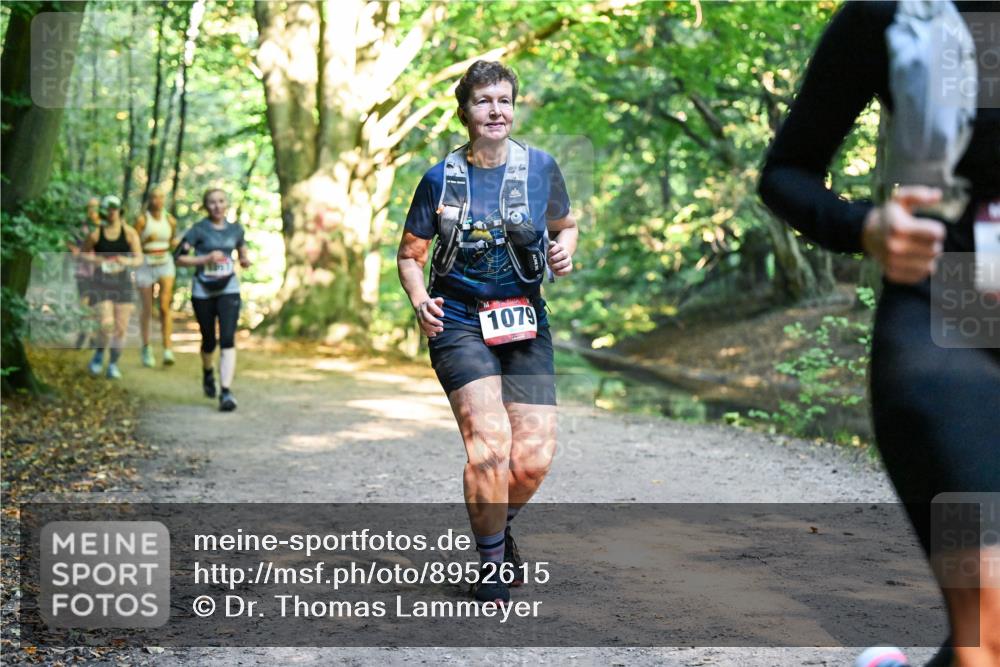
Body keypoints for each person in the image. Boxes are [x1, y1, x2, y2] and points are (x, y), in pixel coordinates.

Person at [758, 2, 999, 665]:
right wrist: (867, 227)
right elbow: (785, 172)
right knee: (990, 599)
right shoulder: (895, 13)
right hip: (947, 316)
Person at [397, 61, 577, 605]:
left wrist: (567, 248)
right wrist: (419, 299)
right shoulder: (439, 179)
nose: (496, 110)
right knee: (490, 450)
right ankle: (492, 564)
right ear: (465, 111)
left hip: (525, 316)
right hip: (458, 319)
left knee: (533, 458)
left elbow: (564, 225)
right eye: (483, 101)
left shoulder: (541, 167)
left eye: (504, 99)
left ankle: (496, 525)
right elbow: (410, 256)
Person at [174, 188, 251, 412]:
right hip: (203, 290)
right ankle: (208, 372)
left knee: (227, 338)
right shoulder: (198, 230)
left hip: (229, 287)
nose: (217, 206)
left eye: (220, 201)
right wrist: (205, 258)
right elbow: (177, 258)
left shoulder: (235, 229)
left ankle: (226, 391)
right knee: (209, 341)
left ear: (227, 204)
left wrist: (245, 259)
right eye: (212, 202)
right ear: (205, 206)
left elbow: (242, 248)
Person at [80, 195, 143, 379]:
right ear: (103, 211)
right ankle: (99, 354)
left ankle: (113, 363)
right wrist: (97, 260)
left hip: (123, 283)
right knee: (106, 324)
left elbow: (139, 259)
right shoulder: (96, 234)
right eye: (107, 208)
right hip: (101, 284)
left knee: (121, 329)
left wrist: (126, 260)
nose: (111, 212)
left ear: (120, 210)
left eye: (114, 208)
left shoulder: (130, 233)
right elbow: (82, 254)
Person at [134, 185, 178, 368]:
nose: (157, 201)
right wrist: (145, 241)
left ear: (164, 199)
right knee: (147, 308)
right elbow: (132, 243)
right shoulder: (143, 220)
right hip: (145, 264)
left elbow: (172, 242)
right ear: (149, 200)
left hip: (165, 264)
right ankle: (146, 348)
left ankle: (168, 349)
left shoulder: (170, 220)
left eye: (160, 197)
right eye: (153, 197)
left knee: (165, 307)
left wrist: (175, 244)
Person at [67, 197, 101, 349]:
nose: (92, 211)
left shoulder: (104, 228)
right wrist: (74, 250)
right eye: (90, 208)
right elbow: (69, 242)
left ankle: (93, 337)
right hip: (83, 271)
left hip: (99, 272)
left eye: (95, 208)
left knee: (96, 305)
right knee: (83, 303)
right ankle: (82, 334)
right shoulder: (81, 228)